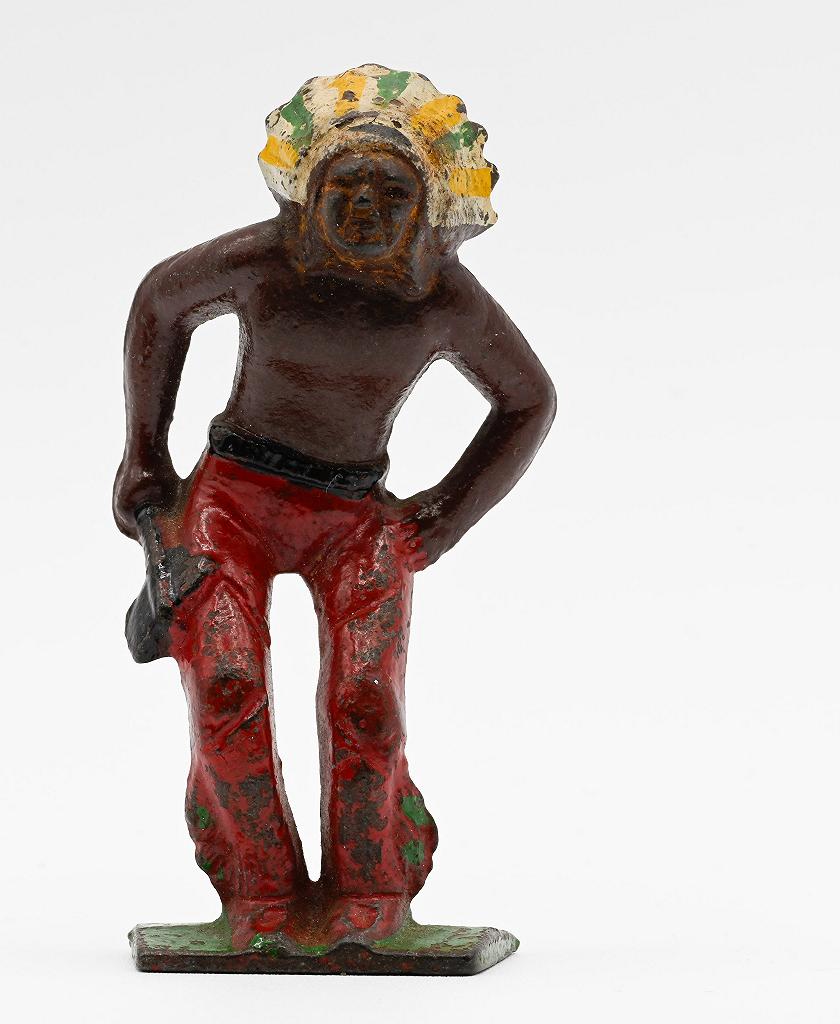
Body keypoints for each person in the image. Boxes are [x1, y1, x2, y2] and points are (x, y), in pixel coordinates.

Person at [114, 65, 556, 951]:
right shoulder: (263, 263)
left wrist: (445, 514)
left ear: (428, 207)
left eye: (392, 193)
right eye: (343, 188)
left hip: (355, 517)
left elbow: (527, 400)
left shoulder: (443, 298)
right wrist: (145, 454)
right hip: (233, 498)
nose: (364, 210)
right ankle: (260, 895)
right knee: (227, 685)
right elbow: (162, 301)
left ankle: (372, 890)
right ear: (306, 197)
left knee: (367, 703)